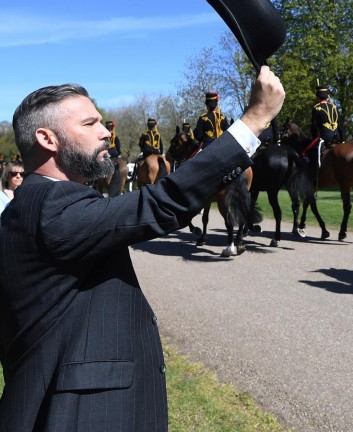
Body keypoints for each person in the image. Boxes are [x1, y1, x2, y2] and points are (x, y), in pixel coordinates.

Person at [0, 67, 284, 431]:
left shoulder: (29, 205)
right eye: (90, 124)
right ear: (48, 139)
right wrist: (255, 119)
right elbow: (161, 202)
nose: (105, 133)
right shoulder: (52, 207)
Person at [309, 85, 343, 166]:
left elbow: (314, 127)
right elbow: (341, 126)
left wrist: (314, 138)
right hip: (337, 138)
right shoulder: (335, 107)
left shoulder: (317, 108)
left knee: (314, 158)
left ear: (318, 96)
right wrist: (342, 139)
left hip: (324, 139)